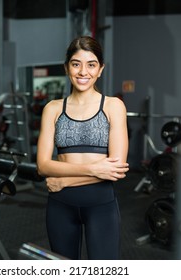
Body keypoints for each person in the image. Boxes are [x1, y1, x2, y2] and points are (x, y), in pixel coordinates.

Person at [36, 36, 129, 260]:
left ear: (101, 69)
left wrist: (65, 180)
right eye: (76, 64)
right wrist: (95, 169)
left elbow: (115, 169)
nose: (83, 72)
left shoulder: (113, 106)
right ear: (67, 67)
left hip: (101, 206)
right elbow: (43, 165)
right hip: (60, 207)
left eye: (91, 64)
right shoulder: (53, 109)